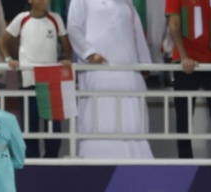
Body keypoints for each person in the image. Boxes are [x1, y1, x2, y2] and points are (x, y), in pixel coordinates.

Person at [66, 0, 154, 159]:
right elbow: (72, 28)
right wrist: (89, 53)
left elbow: (137, 32)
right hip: (98, 72)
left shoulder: (127, 3)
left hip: (129, 74)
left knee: (132, 125)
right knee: (99, 122)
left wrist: (145, 61)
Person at [0, 0, 72, 158]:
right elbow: (3, 40)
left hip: (50, 81)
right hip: (28, 80)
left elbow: (67, 44)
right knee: (29, 125)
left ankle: (52, 160)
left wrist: (67, 59)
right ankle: (31, 160)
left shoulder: (55, 19)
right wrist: (8, 60)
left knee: (53, 126)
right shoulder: (22, 19)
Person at [166, 0, 211, 158]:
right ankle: (185, 164)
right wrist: (184, 57)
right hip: (186, 65)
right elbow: (174, 24)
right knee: (183, 118)